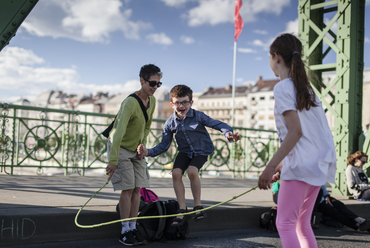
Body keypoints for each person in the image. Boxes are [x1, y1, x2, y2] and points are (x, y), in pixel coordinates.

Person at [258, 33, 337, 248]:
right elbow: (313, 135)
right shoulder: (308, 90)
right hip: (318, 165)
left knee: (284, 223)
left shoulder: (282, 87)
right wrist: (282, 165)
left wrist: (270, 166)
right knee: (303, 224)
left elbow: (295, 132)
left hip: (301, 167)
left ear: (276, 57)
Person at [137, 84, 240, 226]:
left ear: (191, 103)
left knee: (192, 171)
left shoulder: (198, 116)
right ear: (172, 104)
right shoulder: (169, 123)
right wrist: (148, 152)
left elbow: (216, 124)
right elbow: (164, 145)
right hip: (184, 152)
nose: (181, 105)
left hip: (201, 150)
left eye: (185, 102)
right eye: (178, 102)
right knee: (176, 173)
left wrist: (229, 134)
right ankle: (182, 209)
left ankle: (197, 206)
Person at [105, 64, 162, 246]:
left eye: (158, 84)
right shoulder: (129, 102)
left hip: (135, 148)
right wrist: (113, 161)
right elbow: (118, 132)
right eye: (152, 83)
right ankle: (124, 231)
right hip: (120, 146)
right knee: (128, 188)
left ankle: (133, 227)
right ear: (142, 81)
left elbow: (146, 127)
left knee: (138, 188)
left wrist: (142, 145)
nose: (154, 87)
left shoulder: (152, 102)